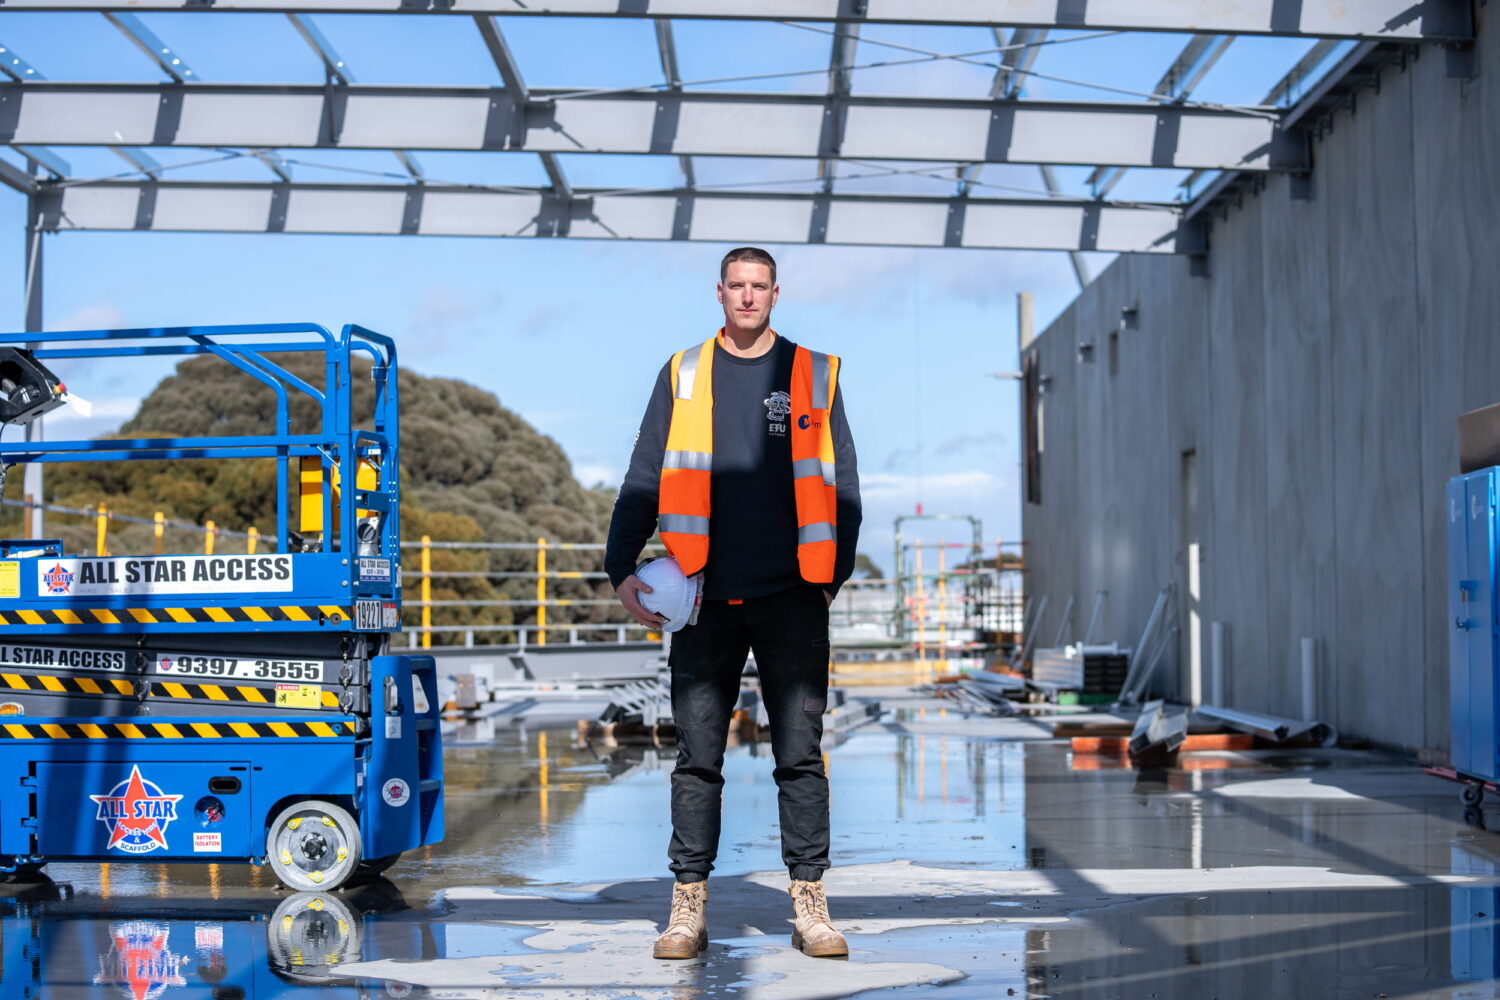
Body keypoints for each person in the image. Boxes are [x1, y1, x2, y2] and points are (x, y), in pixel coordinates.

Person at [605, 246, 862, 960]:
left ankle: (810, 906)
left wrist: (830, 577)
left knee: (800, 757)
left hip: (793, 595)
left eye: (760, 286)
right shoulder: (683, 371)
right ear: (719, 292)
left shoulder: (815, 372)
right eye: (737, 286)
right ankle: (686, 908)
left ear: (776, 293)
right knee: (697, 759)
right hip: (704, 597)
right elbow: (646, 472)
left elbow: (843, 484)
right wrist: (619, 566)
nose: (748, 297)